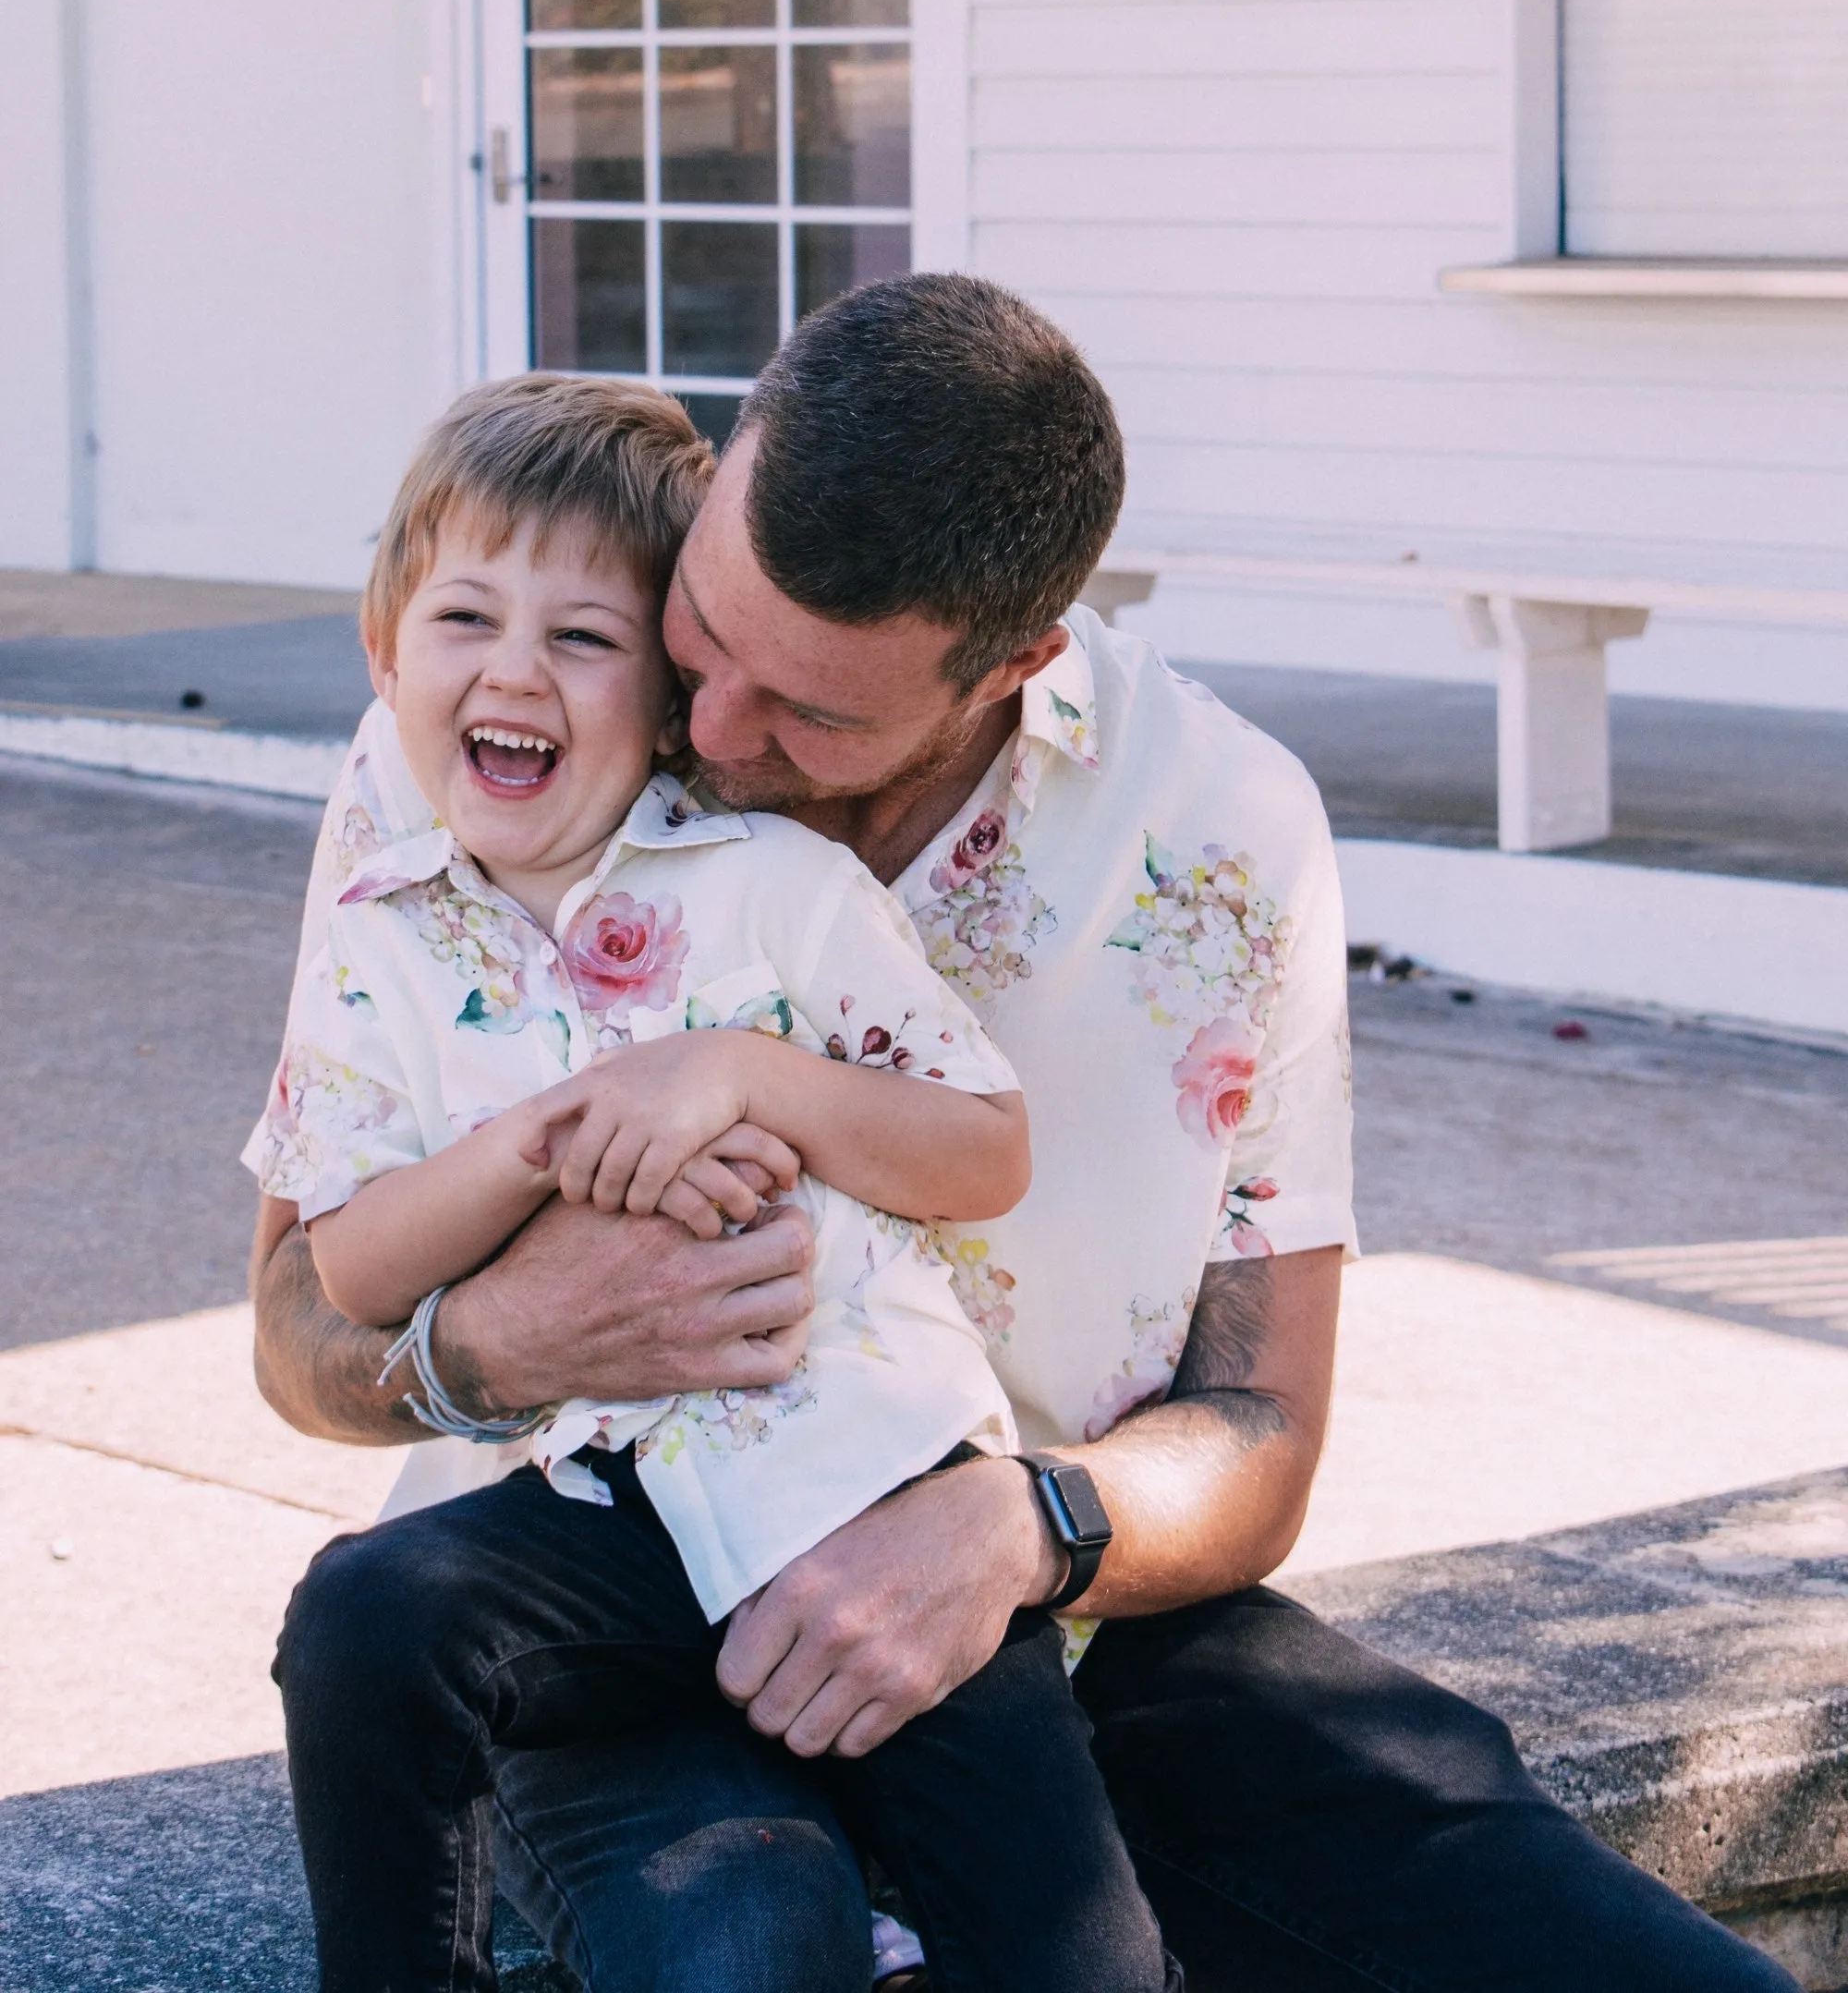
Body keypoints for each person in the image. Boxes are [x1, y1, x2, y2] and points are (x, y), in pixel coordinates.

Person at [252, 277, 1790, 1993]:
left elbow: (1263, 1429)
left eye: (818, 712)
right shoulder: (517, 719)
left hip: (1046, 1632)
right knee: (747, 1951)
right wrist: (499, 1334)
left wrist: (1011, 1531)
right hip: (598, 1587)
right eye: (705, 634)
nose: (724, 737)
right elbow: (296, 1325)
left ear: (1015, 664)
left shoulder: (1222, 838)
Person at [255, 371, 1175, 1993]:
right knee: (363, 1618)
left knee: (1075, 1959)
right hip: (618, 1512)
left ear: (670, 696)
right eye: (465, 617)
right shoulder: (379, 938)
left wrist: (761, 1084)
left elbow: (984, 1146)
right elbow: (346, 1267)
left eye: (585, 640)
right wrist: (535, 1143)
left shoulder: (774, 887)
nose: (515, 670)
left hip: (869, 1485)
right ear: (384, 656)